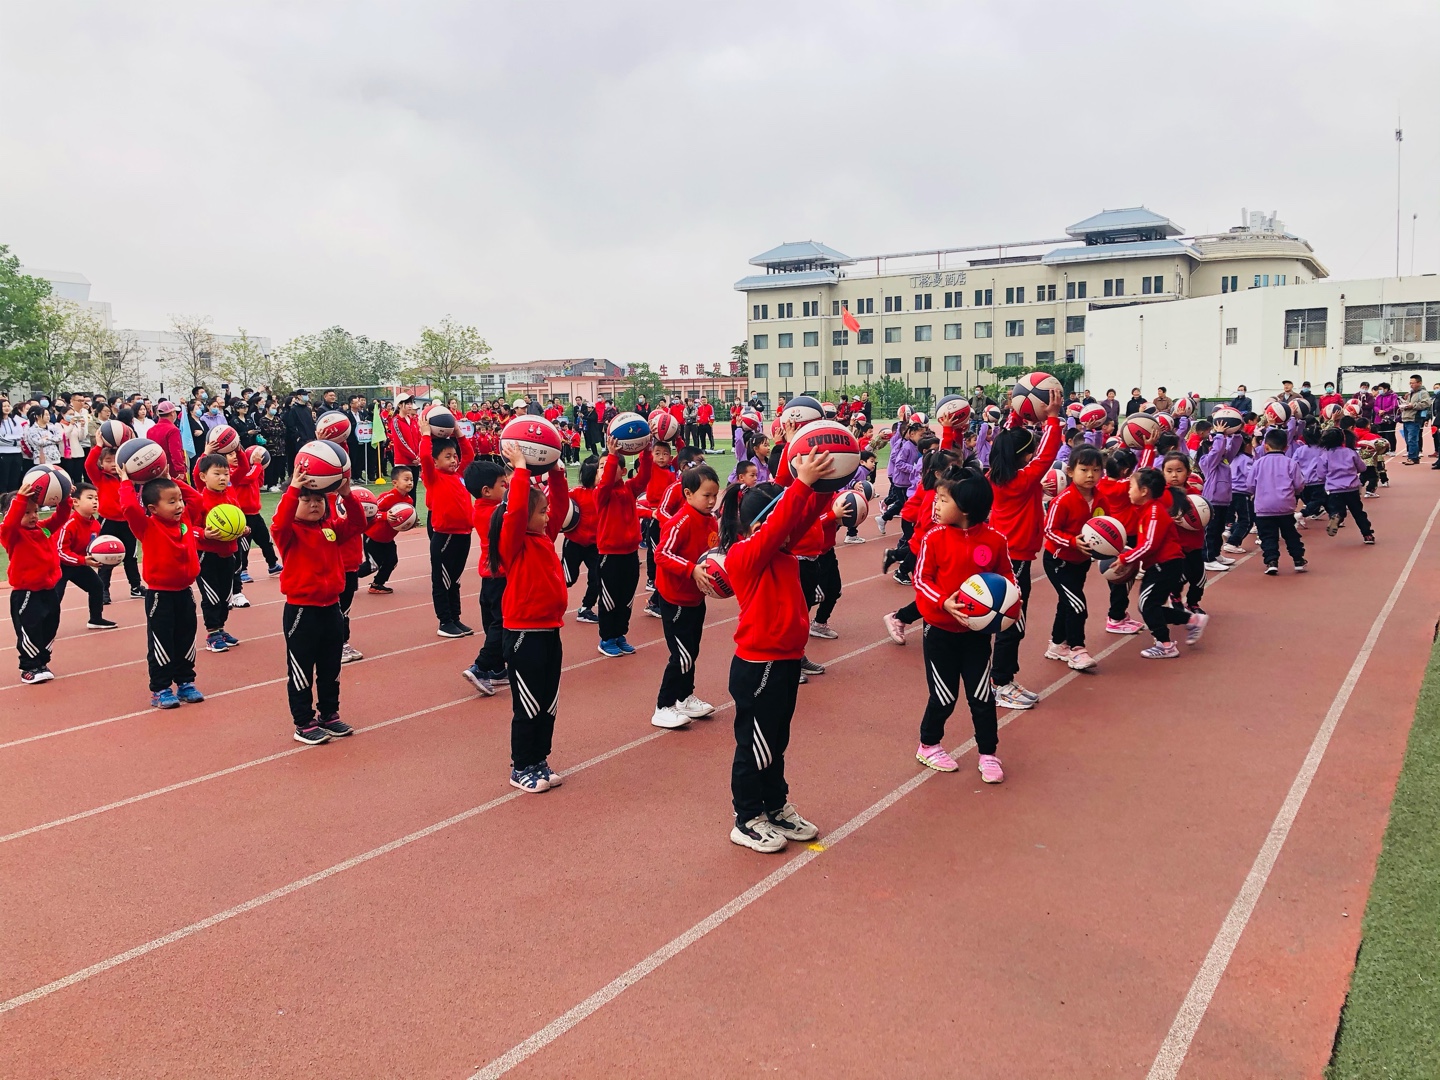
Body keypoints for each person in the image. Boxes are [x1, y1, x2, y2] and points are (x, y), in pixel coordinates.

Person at [718, 449, 832, 853]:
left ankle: (775, 805)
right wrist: (800, 484)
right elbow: (783, 521)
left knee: (775, 742)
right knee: (755, 745)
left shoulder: (781, 549)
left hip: (784, 661)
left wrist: (823, 483)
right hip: (758, 664)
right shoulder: (745, 554)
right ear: (760, 525)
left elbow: (801, 516)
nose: (792, 528)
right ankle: (747, 817)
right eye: (781, 519)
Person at [912, 469, 1013, 781]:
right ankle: (928, 744)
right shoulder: (933, 538)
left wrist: (1011, 599)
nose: (936, 505)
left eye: (943, 500)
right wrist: (944, 602)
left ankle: (988, 753)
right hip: (939, 633)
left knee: (982, 696)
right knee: (944, 697)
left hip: (976, 635)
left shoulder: (995, 540)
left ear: (966, 507)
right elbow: (921, 579)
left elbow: (1007, 577)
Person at [491, 444, 571, 791]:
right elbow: (516, 511)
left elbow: (562, 508)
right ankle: (521, 766)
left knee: (548, 702)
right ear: (524, 516)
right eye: (541, 512)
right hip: (524, 634)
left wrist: (556, 471)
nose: (547, 516)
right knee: (528, 703)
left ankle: (539, 759)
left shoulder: (543, 537)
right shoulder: (515, 543)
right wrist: (521, 469)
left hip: (550, 630)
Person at [272, 470, 366, 744]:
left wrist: (347, 495)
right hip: (302, 611)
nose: (314, 504)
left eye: (319, 499)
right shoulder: (288, 532)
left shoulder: (331, 528)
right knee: (301, 668)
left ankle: (329, 714)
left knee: (330, 666)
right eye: (306, 500)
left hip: (332, 608)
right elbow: (279, 522)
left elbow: (358, 524)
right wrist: (293, 490)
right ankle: (303, 722)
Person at [987, 393, 1062, 709]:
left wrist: (1016, 414)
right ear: (1022, 457)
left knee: (1007, 620)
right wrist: (1053, 417)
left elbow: (1010, 443)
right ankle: (1001, 683)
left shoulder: (998, 476)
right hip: (1014, 558)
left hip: (1007, 555)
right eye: (1029, 452)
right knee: (1012, 622)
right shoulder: (1023, 480)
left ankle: (1002, 678)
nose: (1034, 455)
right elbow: (1047, 454)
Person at [119, 467, 208, 709]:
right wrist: (126, 482)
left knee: (186, 639)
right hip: (160, 595)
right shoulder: (147, 526)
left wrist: (172, 480)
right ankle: (160, 689)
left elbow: (197, 500)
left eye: (179, 500)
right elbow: (129, 508)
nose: (179, 505)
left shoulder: (185, 520)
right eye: (171, 501)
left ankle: (186, 682)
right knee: (161, 641)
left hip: (185, 592)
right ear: (153, 509)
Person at [650, 463, 722, 729]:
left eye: (715, 495)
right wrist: (690, 569)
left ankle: (684, 697)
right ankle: (663, 706)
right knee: (681, 655)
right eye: (706, 495)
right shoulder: (680, 521)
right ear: (688, 494)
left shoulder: (710, 520)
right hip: (675, 599)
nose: (712, 501)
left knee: (692, 650)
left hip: (696, 598)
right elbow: (661, 554)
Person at [1116, 467, 1205, 659]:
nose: (1128, 491)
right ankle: (1192, 620)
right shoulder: (1147, 510)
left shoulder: (1154, 513)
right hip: (1160, 565)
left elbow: (1149, 545)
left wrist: (1125, 558)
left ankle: (1166, 645)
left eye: (1131, 486)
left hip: (1165, 565)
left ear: (1144, 491)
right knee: (1149, 605)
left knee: (1147, 605)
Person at [2, 479, 72, 683]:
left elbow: (61, 516)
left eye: (35, 511)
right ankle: (28, 667)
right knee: (29, 629)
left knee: (50, 626)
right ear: (12, 513)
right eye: (26, 512)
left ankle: (42, 662)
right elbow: (10, 523)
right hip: (26, 592)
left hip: (49, 589)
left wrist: (64, 497)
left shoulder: (43, 528)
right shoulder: (12, 534)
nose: (33, 516)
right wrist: (20, 500)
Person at [1041, 446, 1103, 672]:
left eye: (1096, 470)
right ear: (1070, 471)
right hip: (1058, 561)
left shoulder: (1101, 498)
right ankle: (1077, 649)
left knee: (1066, 602)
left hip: (1081, 562)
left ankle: (1058, 644)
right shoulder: (1063, 500)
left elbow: (1105, 526)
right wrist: (1072, 541)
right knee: (1077, 605)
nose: (1090, 475)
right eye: (1084, 469)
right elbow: (1049, 530)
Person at [594, 434, 652, 658]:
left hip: (630, 554)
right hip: (610, 555)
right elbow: (607, 482)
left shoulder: (629, 488)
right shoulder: (601, 493)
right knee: (609, 599)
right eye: (600, 467)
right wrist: (611, 456)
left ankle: (619, 634)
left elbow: (644, 476)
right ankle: (607, 638)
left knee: (626, 598)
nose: (604, 469)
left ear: (624, 470)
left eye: (608, 465)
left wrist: (646, 451)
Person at [421, 416, 476, 638]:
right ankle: (444, 622)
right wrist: (426, 434)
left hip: (464, 535)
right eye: (448, 457)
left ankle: (455, 618)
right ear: (435, 462)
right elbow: (425, 456)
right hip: (445, 537)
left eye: (454, 456)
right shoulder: (433, 477)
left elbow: (469, 455)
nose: (454, 460)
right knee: (442, 581)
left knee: (455, 581)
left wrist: (459, 433)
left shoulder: (460, 476)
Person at [191, 451, 250, 653]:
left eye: (226, 474)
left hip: (229, 553)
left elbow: (238, 521)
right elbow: (188, 528)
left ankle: (221, 629)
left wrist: (243, 529)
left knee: (226, 596)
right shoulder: (199, 500)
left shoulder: (231, 498)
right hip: (206, 556)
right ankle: (212, 633)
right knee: (212, 596)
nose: (223, 478)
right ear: (203, 476)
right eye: (216, 474)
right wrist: (204, 534)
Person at [461, 459, 510, 695]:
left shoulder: (480, 509)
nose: (507, 487)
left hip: (489, 576)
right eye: (502, 484)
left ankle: (497, 670)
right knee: (502, 624)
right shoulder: (495, 513)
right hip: (500, 576)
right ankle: (481, 667)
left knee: (492, 622)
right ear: (486, 491)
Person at [84, 441, 145, 602]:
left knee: (131, 557)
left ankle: (136, 587)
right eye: (108, 461)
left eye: (114, 460)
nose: (112, 464)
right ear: (101, 463)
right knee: (105, 556)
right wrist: (98, 446)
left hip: (128, 522)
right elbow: (88, 464)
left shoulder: (129, 477)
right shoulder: (100, 477)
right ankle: (103, 590)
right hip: (108, 521)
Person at [55, 481, 116, 630]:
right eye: (90, 498)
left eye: (96, 498)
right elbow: (60, 551)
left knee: (97, 586)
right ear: (75, 502)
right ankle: (46, 628)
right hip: (59, 566)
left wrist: (102, 557)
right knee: (55, 597)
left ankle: (96, 619)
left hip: (78, 563)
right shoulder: (68, 524)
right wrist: (82, 560)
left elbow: (92, 548)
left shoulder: (95, 524)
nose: (95, 501)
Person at [1250, 427, 1308, 574]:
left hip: (1263, 507)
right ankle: (1298, 560)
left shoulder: (1258, 463)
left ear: (1265, 446)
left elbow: (1250, 485)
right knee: (1290, 534)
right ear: (1286, 447)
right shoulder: (1291, 463)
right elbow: (1299, 484)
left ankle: (1271, 561)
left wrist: (1256, 493)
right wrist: (1294, 493)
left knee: (1267, 536)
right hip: (1285, 506)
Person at [364, 465, 414, 595]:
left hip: (388, 539)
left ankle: (377, 585)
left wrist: (411, 522)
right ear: (395, 483)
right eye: (406, 479)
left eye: (411, 480)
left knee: (392, 561)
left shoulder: (409, 500)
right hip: (373, 537)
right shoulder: (387, 497)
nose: (410, 482)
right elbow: (370, 513)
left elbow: (402, 520)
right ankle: (345, 577)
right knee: (372, 566)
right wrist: (385, 515)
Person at [565, 456, 602, 624]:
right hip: (573, 543)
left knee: (597, 577)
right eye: (599, 471)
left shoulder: (603, 494)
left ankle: (586, 608)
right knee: (568, 578)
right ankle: (545, 603)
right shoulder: (575, 493)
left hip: (594, 545)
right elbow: (559, 504)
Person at [1321, 427, 1374, 543]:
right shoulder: (1350, 452)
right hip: (1352, 489)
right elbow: (1362, 468)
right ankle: (1367, 535)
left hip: (1334, 490)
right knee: (1358, 513)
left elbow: (1321, 474)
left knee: (1337, 510)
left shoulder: (1325, 455)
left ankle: (1336, 516)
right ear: (1342, 439)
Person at [150, 400, 188, 477]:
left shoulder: (150, 430)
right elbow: (175, 452)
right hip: (171, 470)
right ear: (172, 413)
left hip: (157, 470)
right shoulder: (173, 430)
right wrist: (180, 470)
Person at [1399, 374, 1430, 464]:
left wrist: (1413, 405)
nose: (1411, 385)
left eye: (1413, 383)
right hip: (1406, 418)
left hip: (1414, 418)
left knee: (1412, 439)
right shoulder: (1411, 393)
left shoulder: (1423, 393)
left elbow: (1426, 404)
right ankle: (1414, 457)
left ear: (1419, 383)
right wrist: (1404, 405)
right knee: (1408, 439)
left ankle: (1412, 457)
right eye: (1410, 383)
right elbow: (1409, 403)